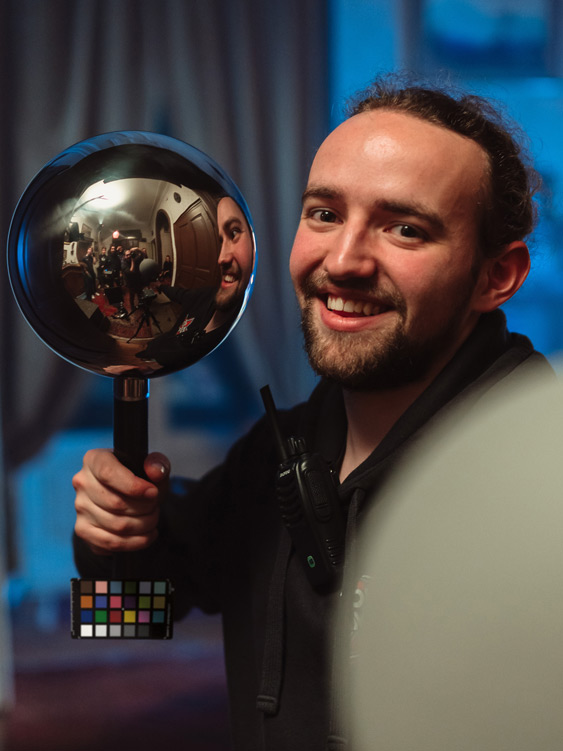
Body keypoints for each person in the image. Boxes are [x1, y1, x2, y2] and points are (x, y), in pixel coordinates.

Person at [72, 75, 555, 750]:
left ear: (495, 277)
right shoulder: (278, 450)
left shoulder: (540, 481)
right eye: (324, 214)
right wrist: (110, 542)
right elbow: (127, 621)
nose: (344, 261)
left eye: (405, 229)